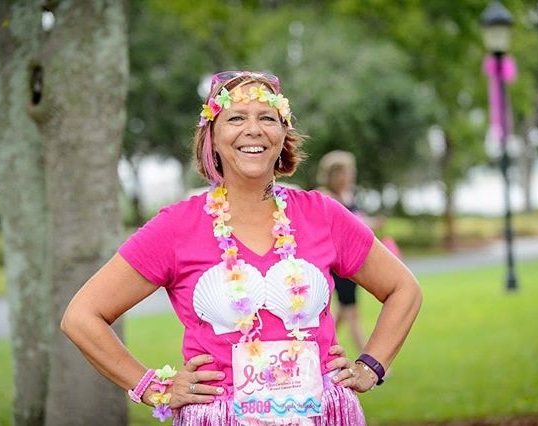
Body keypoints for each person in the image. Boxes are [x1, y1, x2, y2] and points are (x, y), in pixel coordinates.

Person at [61, 70, 422, 425]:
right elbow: (82, 316)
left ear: (282, 134)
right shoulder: (177, 227)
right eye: (236, 118)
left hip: (320, 414)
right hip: (220, 417)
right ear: (212, 137)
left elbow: (403, 288)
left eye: (267, 117)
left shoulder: (322, 214)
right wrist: (155, 388)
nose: (254, 129)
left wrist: (371, 366)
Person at [316, 150, 368, 355]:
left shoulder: (349, 195)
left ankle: (323, 348)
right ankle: (370, 360)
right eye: (348, 172)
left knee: (345, 312)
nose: (351, 176)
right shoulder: (325, 197)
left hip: (352, 259)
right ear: (336, 174)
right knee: (351, 312)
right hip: (337, 263)